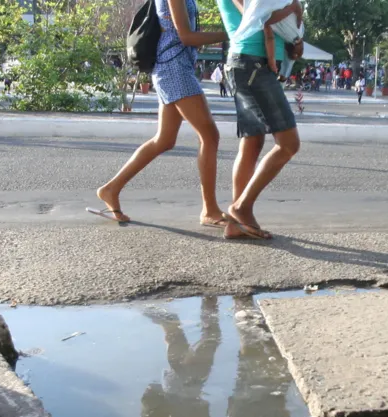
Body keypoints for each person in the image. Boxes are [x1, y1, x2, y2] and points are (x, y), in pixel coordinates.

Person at [92, 0, 235, 233]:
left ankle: (111, 188)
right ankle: (209, 210)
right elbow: (187, 36)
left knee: (165, 140)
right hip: (174, 69)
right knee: (210, 136)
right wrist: (231, 32)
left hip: (176, 67)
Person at [217, 0, 303, 239]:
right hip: (251, 64)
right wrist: (293, 8)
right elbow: (259, 17)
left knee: (251, 144)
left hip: (251, 64)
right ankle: (241, 207)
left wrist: (294, 41)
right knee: (288, 144)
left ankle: (236, 223)